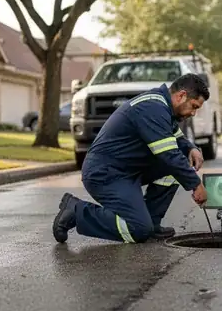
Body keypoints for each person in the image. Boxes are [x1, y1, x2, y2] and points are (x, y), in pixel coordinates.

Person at [52, 73, 210, 244]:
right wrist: (195, 184)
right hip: (105, 174)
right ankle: (76, 211)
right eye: (194, 106)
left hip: (127, 171)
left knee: (175, 167)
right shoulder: (152, 108)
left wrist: (191, 148)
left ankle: (151, 222)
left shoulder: (163, 106)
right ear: (181, 96)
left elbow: (175, 137)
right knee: (138, 229)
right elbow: (169, 154)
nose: (193, 113)